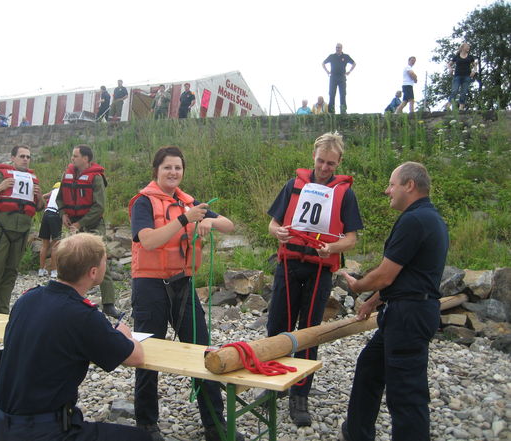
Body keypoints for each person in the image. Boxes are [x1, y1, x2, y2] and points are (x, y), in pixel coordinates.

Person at [129, 146, 242, 441]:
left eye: (178, 168)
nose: (173, 173)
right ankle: (146, 424)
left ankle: (214, 425)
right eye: (168, 167)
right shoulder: (143, 202)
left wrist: (207, 220)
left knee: (202, 351)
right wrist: (184, 219)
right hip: (150, 285)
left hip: (183, 284)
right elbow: (149, 242)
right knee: (147, 354)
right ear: (157, 170)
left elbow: (229, 226)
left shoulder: (190, 202)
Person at [0, 233, 151, 441]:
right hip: (42, 432)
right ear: (93, 272)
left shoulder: (27, 298)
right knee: (142, 438)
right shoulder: (83, 315)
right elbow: (136, 357)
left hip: (3, 424)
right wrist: (125, 334)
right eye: (105, 262)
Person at [339, 162, 449, 441]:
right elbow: (407, 275)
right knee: (368, 368)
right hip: (403, 309)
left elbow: (386, 276)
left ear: (409, 185)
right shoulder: (429, 218)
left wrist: (358, 286)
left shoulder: (414, 220)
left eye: (392, 184)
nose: (387, 191)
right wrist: (372, 303)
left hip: (409, 316)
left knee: (406, 395)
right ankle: (356, 432)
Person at [266, 133, 363, 427]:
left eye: (330, 164)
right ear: (313, 156)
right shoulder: (293, 184)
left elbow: (352, 238)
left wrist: (332, 248)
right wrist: (278, 232)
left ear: (339, 163)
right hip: (289, 263)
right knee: (277, 325)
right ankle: (273, 382)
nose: (324, 168)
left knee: (309, 331)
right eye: (321, 161)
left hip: (320, 268)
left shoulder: (344, 193)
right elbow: (273, 223)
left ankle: (300, 394)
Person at [0, 146, 44, 315]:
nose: (25, 159)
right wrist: (0, 187)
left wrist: (39, 195)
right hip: (2, 227)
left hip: (22, 231)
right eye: (22, 156)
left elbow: (39, 207)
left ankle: (2, 312)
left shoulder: (32, 179)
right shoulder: (0, 174)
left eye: (28, 157)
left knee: (11, 271)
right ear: (12, 157)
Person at [56, 144, 120, 319]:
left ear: (86, 159)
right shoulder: (67, 174)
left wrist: (80, 224)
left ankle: (108, 304)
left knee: (100, 262)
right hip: (73, 225)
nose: (72, 159)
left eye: (75, 156)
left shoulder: (96, 178)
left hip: (92, 224)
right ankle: (72, 300)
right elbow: (60, 198)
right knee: (72, 262)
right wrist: (63, 214)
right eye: (72, 156)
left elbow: (99, 207)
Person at [322, 43, 356, 114]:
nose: (337, 49)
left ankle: (343, 110)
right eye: (336, 47)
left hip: (342, 77)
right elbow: (323, 63)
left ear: (341, 48)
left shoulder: (346, 56)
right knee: (331, 94)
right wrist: (327, 71)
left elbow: (354, 63)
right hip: (333, 77)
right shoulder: (332, 56)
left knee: (343, 94)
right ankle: (331, 111)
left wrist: (349, 71)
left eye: (339, 47)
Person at [38, 182, 62, 278]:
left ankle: (41, 270)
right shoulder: (62, 191)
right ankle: (54, 271)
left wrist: (45, 205)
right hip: (55, 215)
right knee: (55, 245)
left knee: (44, 245)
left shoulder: (53, 192)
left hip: (46, 214)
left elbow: (43, 196)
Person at [446, 43, 477, 111]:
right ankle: (448, 106)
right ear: (462, 48)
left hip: (467, 76)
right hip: (457, 76)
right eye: (467, 46)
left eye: (469, 47)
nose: (468, 48)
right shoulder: (457, 56)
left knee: (463, 92)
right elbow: (449, 64)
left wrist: (474, 71)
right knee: (454, 91)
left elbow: (475, 65)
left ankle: (461, 107)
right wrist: (450, 69)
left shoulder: (470, 57)